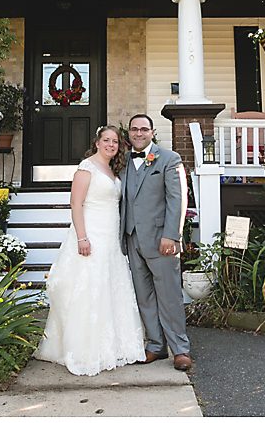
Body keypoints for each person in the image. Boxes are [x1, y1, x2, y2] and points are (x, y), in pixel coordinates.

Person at [35, 126, 147, 376]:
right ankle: (86, 350)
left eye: (115, 141)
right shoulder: (86, 168)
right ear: (97, 142)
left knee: (109, 287)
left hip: (111, 238)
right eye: (106, 140)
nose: (111, 145)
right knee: (89, 288)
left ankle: (114, 346)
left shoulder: (113, 169)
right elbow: (76, 204)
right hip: (92, 235)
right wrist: (82, 237)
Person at [122, 114, 193, 371]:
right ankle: (155, 345)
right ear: (129, 133)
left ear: (152, 132)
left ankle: (180, 349)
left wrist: (171, 235)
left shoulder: (169, 159)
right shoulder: (123, 161)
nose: (138, 133)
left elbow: (177, 199)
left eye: (143, 129)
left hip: (161, 239)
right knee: (144, 296)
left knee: (169, 296)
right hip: (132, 238)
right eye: (134, 129)